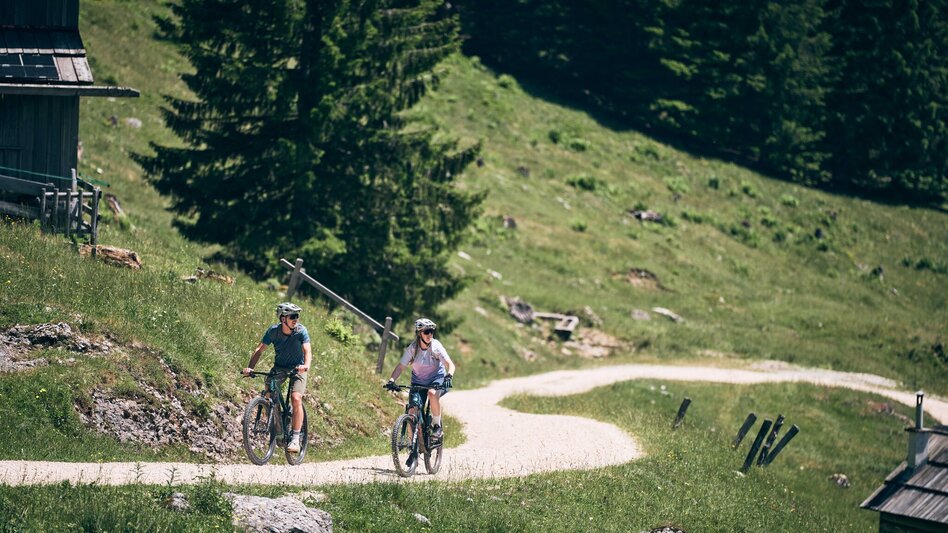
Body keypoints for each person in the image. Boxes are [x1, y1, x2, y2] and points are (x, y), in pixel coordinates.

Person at [243, 302, 312, 453]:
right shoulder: (273, 331)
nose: (296, 319)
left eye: (297, 316)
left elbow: (307, 351)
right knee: (269, 393)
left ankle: (295, 439)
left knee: (296, 398)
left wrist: (305, 366)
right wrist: (250, 368)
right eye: (293, 316)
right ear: (283, 319)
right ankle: (279, 431)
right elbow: (259, 350)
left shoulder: (301, 331)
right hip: (279, 368)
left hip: (298, 369)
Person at [386, 318, 455, 442]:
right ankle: (413, 447)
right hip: (418, 382)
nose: (430, 335)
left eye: (431, 331)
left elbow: (450, 364)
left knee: (432, 393)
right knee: (412, 410)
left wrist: (449, 375)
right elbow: (401, 366)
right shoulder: (412, 348)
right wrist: (391, 380)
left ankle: (436, 425)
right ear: (419, 333)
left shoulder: (436, 346)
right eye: (426, 332)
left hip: (437, 379)